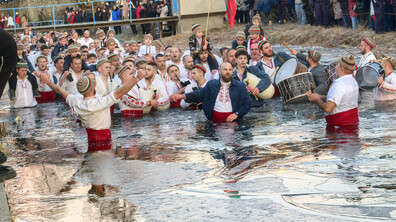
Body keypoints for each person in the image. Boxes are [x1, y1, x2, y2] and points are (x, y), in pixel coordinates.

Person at [36, 66, 145, 142]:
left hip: (89, 139)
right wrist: (137, 78)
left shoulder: (76, 101)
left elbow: (60, 91)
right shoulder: (101, 102)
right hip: (105, 139)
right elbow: (120, 91)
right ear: (93, 87)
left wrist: (47, 82)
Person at [171, 62, 252, 123]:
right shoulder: (212, 84)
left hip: (233, 122)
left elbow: (248, 103)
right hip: (214, 121)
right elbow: (199, 94)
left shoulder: (240, 86)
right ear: (220, 71)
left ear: (232, 71)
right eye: (225, 69)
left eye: (230, 70)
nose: (227, 72)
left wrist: (236, 114)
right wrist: (182, 96)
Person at [307, 56, 359, 127]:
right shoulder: (353, 81)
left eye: (337, 65)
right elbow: (338, 98)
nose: (335, 67)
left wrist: (317, 100)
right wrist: (320, 96)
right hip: (353, 123)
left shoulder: (339, 84)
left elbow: (328, 109)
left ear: (341, 69)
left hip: (339, 126)